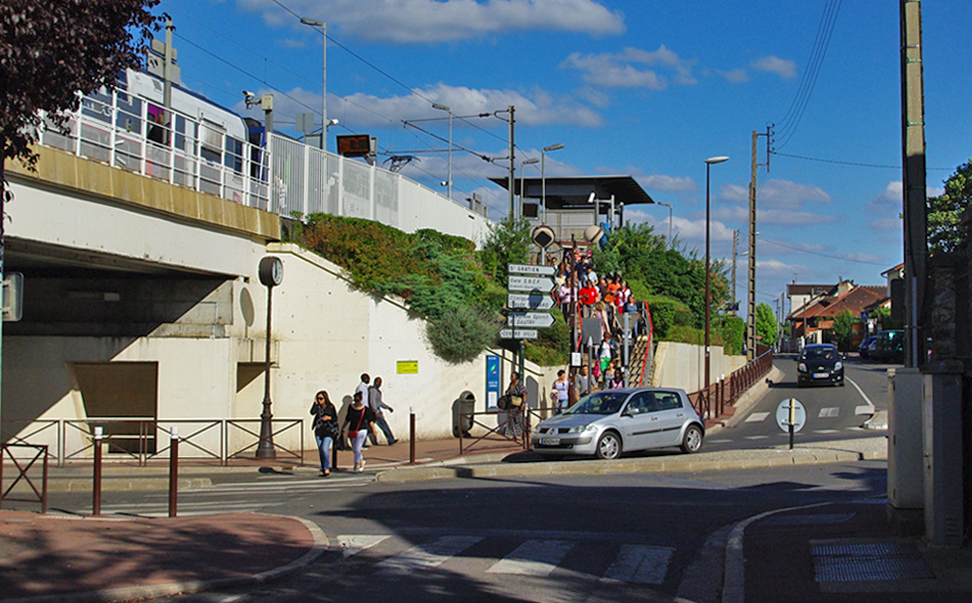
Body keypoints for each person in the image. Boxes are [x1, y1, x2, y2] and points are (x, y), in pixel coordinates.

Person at [343, 390, 376, 474]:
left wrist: (374, 430)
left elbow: (370, 421)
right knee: (355, 449)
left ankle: (356, 465)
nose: (356, 402)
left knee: (357, 448)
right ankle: (361, 460)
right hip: (352, 430)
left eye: (358, 400)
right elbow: (347, 419)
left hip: (362, 430)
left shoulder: (365, 410)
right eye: (355, 400)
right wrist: (342, 427)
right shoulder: (351, 408)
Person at [309, 390, 338, 477]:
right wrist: (314, 403)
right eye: (318, 399)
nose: (319, 401)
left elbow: (335, 418)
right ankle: (324, 468)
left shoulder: (330, 407)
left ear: (325, 398)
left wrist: (329, 418)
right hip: (319, 430)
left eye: (321, 399)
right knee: (321, 450)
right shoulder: (317, 407)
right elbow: (312, 412)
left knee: (324, 449)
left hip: (328, 431)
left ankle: (326, 467)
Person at [367, 376, 398, 445]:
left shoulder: (377, 391)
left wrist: (387, 407)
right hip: (374, 412)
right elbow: (372, 402)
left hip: (376, 410)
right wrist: (376, 411)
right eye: (378, 382)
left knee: (370, 427)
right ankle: (390, 439)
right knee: (384, 426)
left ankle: (390, 439)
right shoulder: (373, 391)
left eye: (380, 382)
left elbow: (379, 402)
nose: (379, 384)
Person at [503, 371, 528, 438]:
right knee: (511, 419)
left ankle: (523, 432)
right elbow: (508, 391)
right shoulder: (511, 384)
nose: (511, 377)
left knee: (519, 419)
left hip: (518, 404)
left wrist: (523, 403)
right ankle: (514, 435)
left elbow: (524, 394)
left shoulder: (520, 384)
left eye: (512, 376)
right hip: (511, 404)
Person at [355, 374, 371, 448]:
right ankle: (361, 443)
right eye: (367, 378)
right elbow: (361, 399)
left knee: (365, 427)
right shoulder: (361, 388)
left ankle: (362, 443)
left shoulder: (364, 387)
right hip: (363, 409)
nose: (369, 380)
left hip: (365, 408)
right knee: (363, 427)